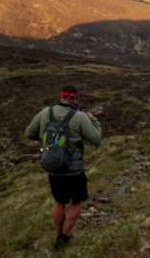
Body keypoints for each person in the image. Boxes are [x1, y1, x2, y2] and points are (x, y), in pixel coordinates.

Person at [25, 85, 102, 247]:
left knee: (59, 202)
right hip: (73, 171)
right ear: (75, 99)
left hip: (52, 168)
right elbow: (96, 140)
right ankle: (66, 236)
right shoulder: (80, 117)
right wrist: (93, 119)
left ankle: (58, 234)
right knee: (76, 202)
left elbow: (29, 134)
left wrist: (47, 140)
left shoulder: (46, 112)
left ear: (61, 97)